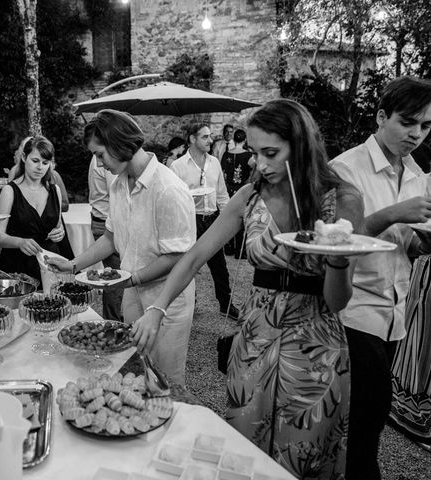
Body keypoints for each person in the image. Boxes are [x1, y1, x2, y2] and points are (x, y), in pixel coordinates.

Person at [135, 99, 364, 479]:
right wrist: (157, 309)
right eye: (255, 153)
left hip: (316, 344)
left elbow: (337, 300)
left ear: (302, 145)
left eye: (271, 153)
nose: (260, 164)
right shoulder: (249, 196)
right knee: (245, 449)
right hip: (255, 337)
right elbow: (193, 257)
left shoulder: (342, 199)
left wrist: (338, 259)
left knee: (304, 454)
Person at [329, 76, 431, 479]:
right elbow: (333, 242)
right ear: (380, 116)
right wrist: (392, 214)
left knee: (366, 419)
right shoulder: (345, 168)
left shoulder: (417, 173)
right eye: (408, 123)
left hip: (396, 312)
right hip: (353, 311)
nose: (417, 134)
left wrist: (420, 245)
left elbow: (404, 246)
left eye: (426, 126)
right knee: (368, 417)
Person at [48, 109, 196, 384]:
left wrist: (131, 279)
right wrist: (73, 265)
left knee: (166, 380)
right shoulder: (117, 185)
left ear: (119, 143)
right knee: (135, 371)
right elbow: (109, 238)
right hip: (133, 291)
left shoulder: (168, 188)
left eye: (100, 154)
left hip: (168, 298)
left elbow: (178, 256)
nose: (98, 163)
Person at [170, 124, 238, 319]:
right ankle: (191, 304)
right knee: (188, 266)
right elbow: (175, 200)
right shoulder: (178, 166)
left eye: (210, 137)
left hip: (213, 218)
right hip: (191, 219)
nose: (210, 141)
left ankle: (226, 304)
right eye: (205, 137)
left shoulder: (215, 162)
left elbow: (223, 195)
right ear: (192, 139)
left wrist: (228, 221)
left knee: (220, 267)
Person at [0, 135, 66, 285]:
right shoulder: (9, 191)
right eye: (35, 161)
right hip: (17, 265)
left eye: (45, 163)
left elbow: (58, 226)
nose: (40, 167)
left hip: (48, 263)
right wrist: (19, 242)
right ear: (24, 158)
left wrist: (60, 233)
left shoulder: (55, 190)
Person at [88, 154, 122, 321]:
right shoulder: (108, 160)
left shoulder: (99, 157)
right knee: (115, 281)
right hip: (108, 224)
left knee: (114, 280)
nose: (100, 162)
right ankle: (114, 324)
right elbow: (116, 192)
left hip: (101, 221)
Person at [221, 128, 253, 258]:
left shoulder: (226, 154)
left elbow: (222, 171)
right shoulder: (248, 156)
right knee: (241, 218)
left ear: (234, 139)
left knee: (229, 217)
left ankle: (228, 247)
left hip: (228, 188)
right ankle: (240, 251)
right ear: (245, 140)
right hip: (241, 189)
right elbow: (255, 169)